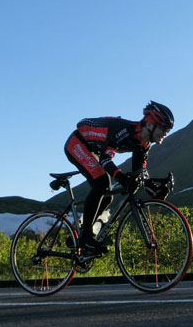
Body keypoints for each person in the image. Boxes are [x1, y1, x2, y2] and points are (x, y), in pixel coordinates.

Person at [64, 101, 174, 254]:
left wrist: (153, 189)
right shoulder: (124, 131)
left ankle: (82, 233)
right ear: (149, 124)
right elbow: (105, 159)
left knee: (107, 197)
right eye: (163, 128)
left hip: (93, 148)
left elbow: (139, 172)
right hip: (77, 143)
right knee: (101, 183)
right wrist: (122, 178)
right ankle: (86, 237)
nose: (165, 133)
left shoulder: (144, 144)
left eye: (168, 130)